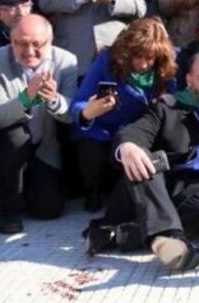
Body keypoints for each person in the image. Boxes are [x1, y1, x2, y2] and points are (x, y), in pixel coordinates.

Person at [102, 52, 199, 269]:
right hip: (165, 182)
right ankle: (171, 242)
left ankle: (128, 235)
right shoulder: (167, 106)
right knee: (145, 160)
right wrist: (128, 146)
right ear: (189, 79)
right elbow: (135, 132)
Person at [0, 14, 77, 233]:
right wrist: (26, 98)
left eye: (37, 45)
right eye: (22, 44)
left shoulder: (66, 61)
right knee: (15, 135)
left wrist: (53, 99)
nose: (29, 51)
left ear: (50, 42)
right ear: (11, 41)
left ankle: (37, 188)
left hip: (46, 142)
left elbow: (71, 114)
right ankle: (10, 209)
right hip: (9, 144)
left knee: (49, 210)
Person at [71, 18, 176, 211]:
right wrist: (88, 111)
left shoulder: (165, 69)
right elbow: (78, 103)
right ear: (127, 51)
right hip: (102, 129)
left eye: (150, 58)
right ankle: (92, 190)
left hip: (137, 132)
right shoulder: (106, 59)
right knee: (91, 153)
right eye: (138, 56)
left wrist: (168, 100)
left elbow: (174, 102)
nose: (144, 64)